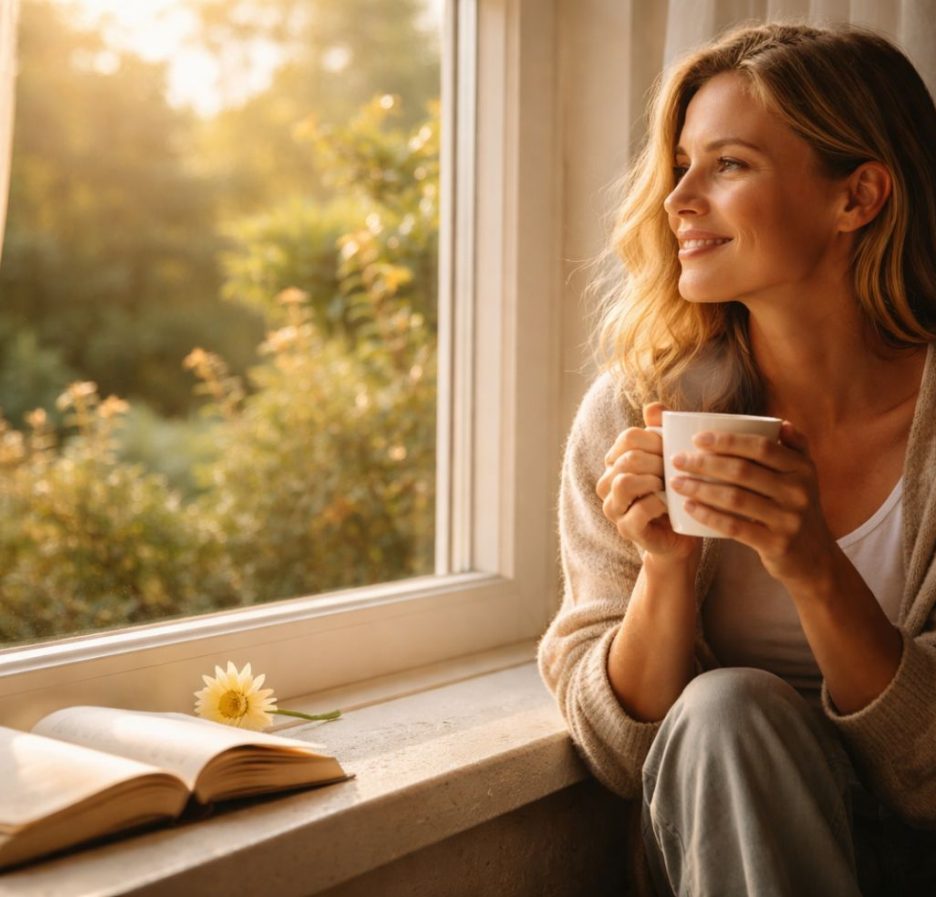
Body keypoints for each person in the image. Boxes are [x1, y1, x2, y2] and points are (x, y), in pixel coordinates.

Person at [537, 21, 936, 897]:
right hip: (729, 857)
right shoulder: (637, 408)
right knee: (727, 707)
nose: (677, 198)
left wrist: (815, 566)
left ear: (858, 195)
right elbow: (620, 754)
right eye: (680, 163)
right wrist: (665, 570)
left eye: (727, 165)